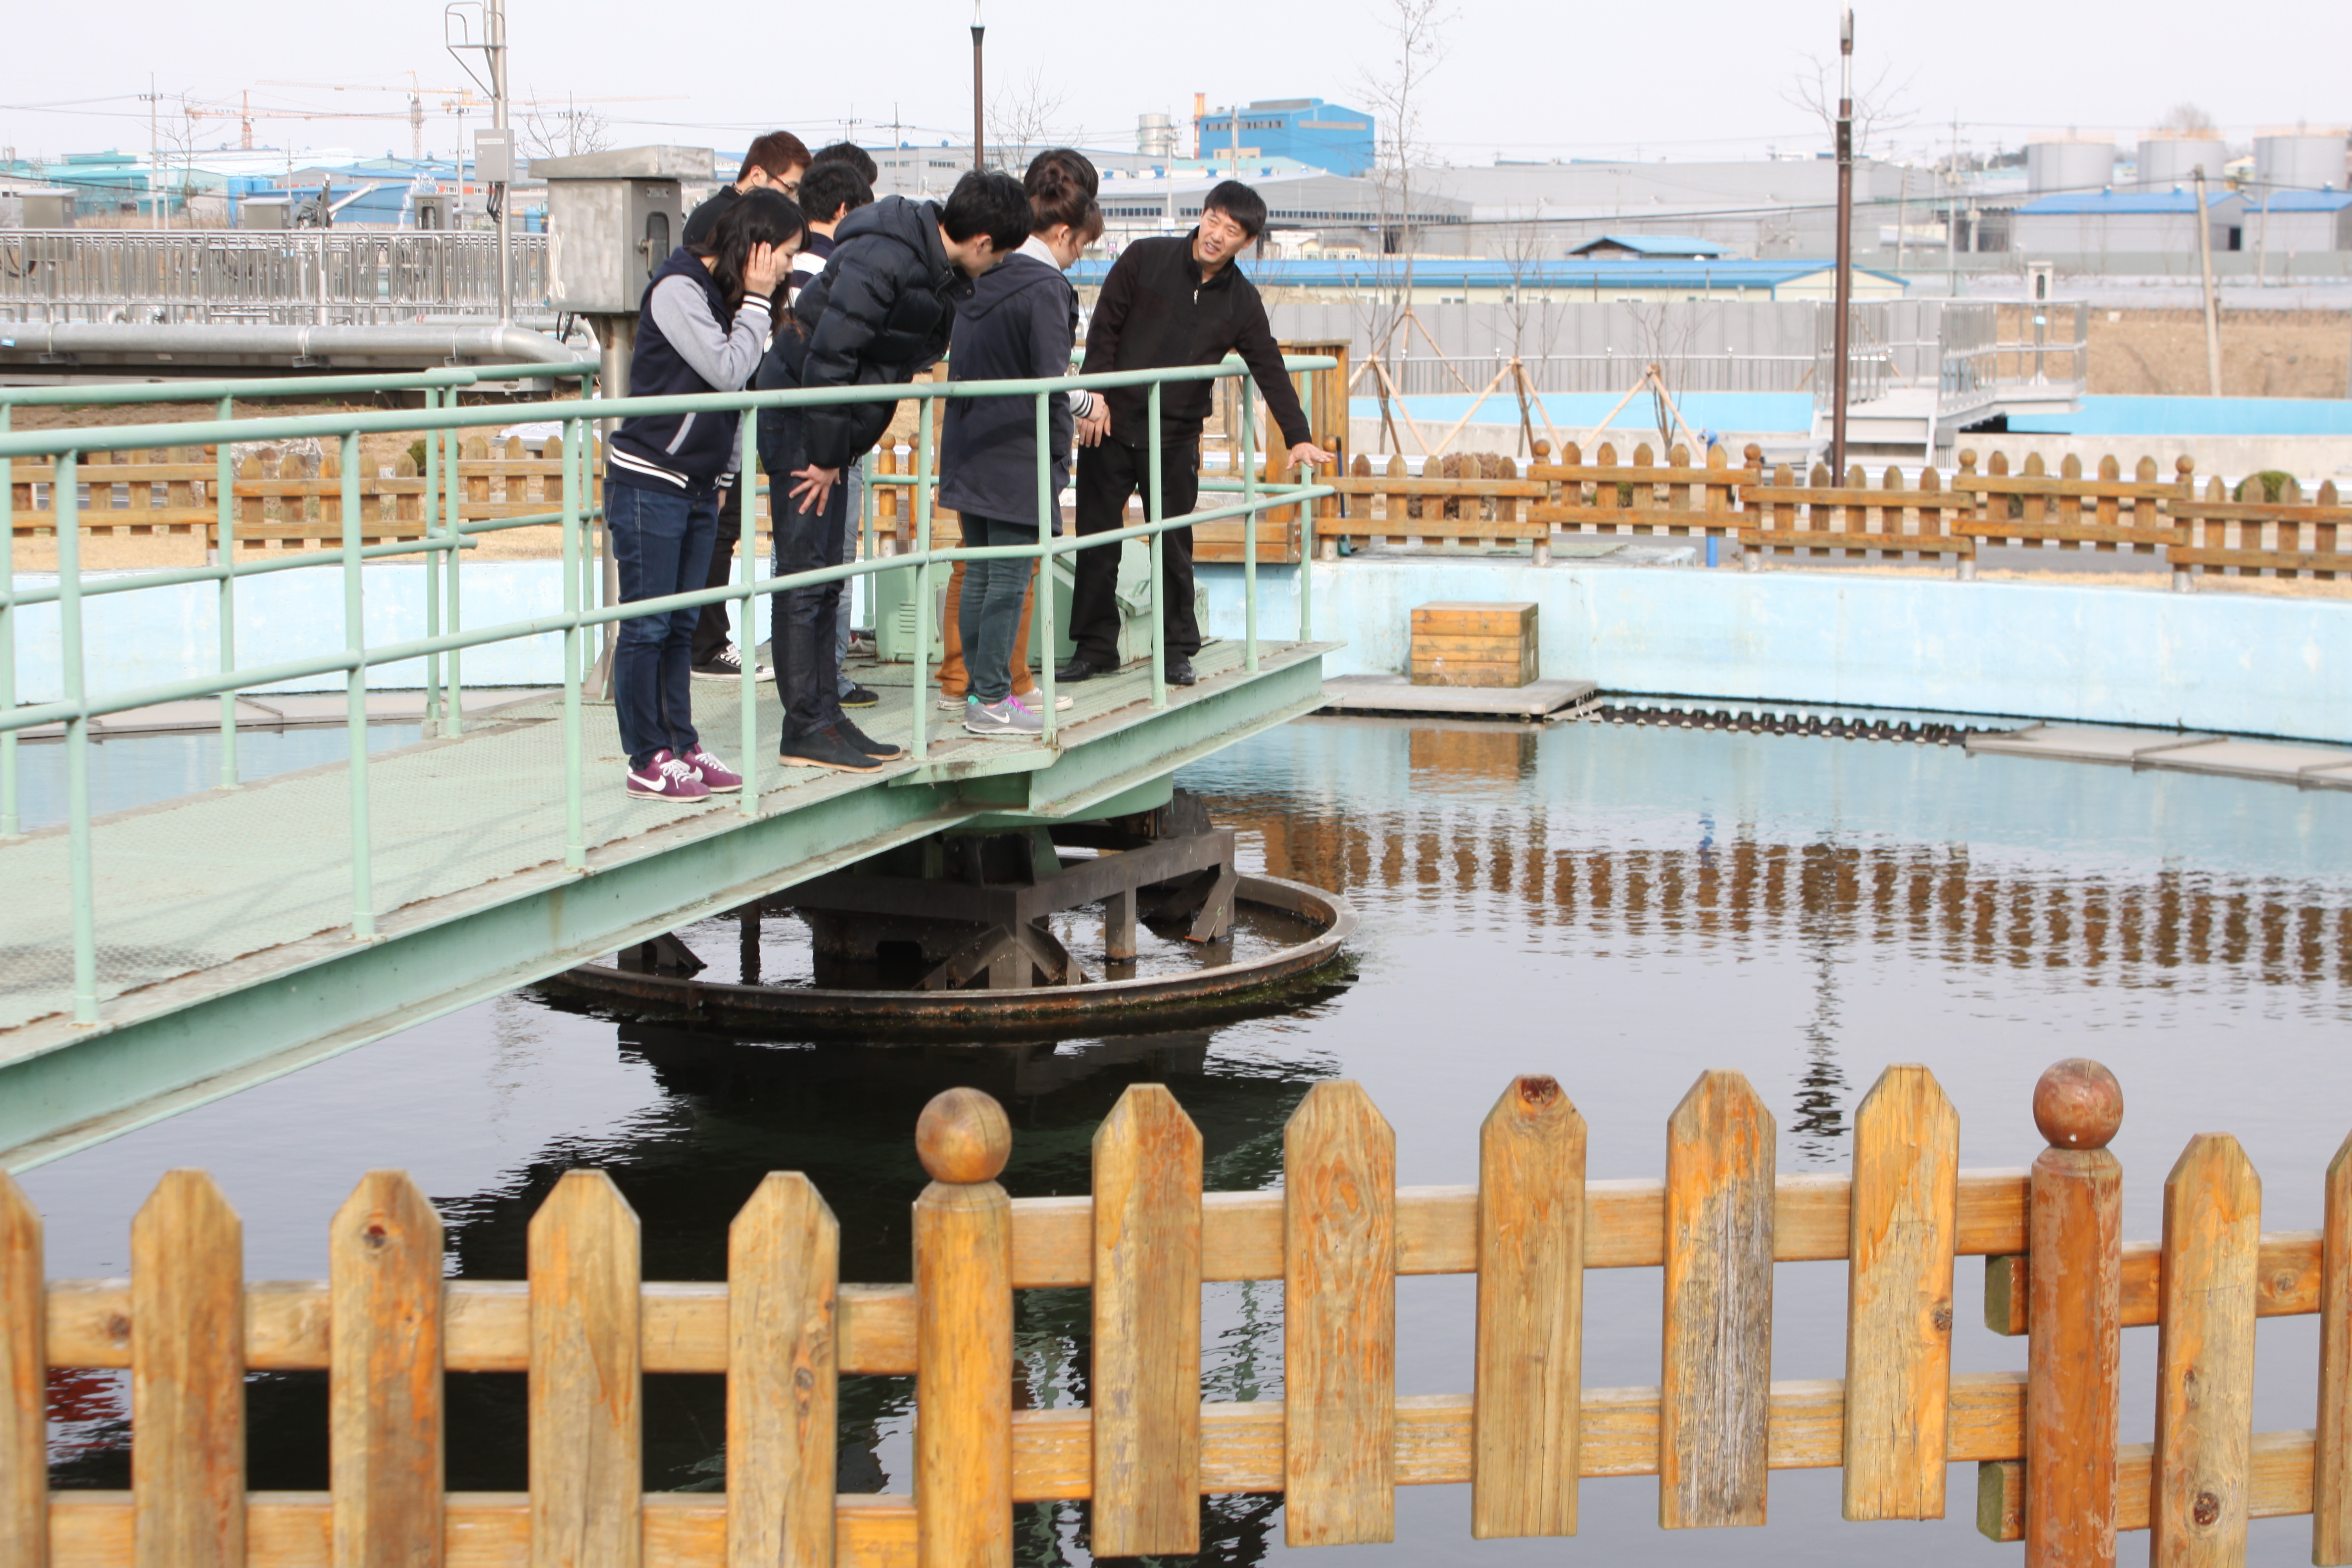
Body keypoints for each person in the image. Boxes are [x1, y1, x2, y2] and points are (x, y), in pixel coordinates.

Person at [757, 169, 1030, 773]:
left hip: (831, 425)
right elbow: (830, 358)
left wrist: (838, 448)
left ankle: (826, 716)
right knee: (805, 578)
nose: (997, 265)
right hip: (804, 419)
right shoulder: (886, 257)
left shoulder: (937, 270)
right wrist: (825, 456)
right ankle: (804, 726)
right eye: (1001, 254)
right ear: (983, 241)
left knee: (828, 578)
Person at [1058, 180, 1332, 688]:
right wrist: (1095, 397)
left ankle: (1176, 649)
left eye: (1232, 230)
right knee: (1096, 540)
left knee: (1172, 544)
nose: (1217, 235)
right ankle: (1094, 647)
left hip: (1175, 435)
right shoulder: (1145, 258)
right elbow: (1105, 329)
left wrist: (1297, 435)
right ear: (1202, 215)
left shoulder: (1241, 301)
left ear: (1246, 242)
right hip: (1111, 424)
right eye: (1214, 220)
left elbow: (1267, 364)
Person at [606, 190, 802, 801]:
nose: (788, 269)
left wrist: (722, 481)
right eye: (785, 255)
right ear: (758, 249)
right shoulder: (679, 290)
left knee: (681, 625)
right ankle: (647, 758)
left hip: (696, 486)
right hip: (651, 479)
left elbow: (736, 404)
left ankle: (681, 745)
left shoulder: (725, 298)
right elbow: (727, 371)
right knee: (648, 624)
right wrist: (757, 302)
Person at [932, 148, 1103, 715]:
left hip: (969, 449)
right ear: (1063, 233)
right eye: (1080, 246)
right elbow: (1051, 380)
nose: (1077, 259)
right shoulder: (1046, 287)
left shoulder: (982, 273)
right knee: (1009, 580)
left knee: (980, 575)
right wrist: (1075, 424)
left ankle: (976, 692)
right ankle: (993, 698)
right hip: (1017, 456)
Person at [684, 132, 811, 683]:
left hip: (728, 411)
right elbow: (728, 364)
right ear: (757, 176)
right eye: (790, 188)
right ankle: (704, 643)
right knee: (714, 524)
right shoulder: (710, 240)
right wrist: (758, 301)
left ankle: (703, 640)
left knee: (721, 521)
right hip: (703, 417)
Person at [786, 153, 881, 710]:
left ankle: (801, 676)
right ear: (846, 210)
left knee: (794, 562)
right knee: (832, 561)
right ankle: (827, 678)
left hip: (789, 423)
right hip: (831, 432)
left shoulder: (788, 264)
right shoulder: (841, 267)